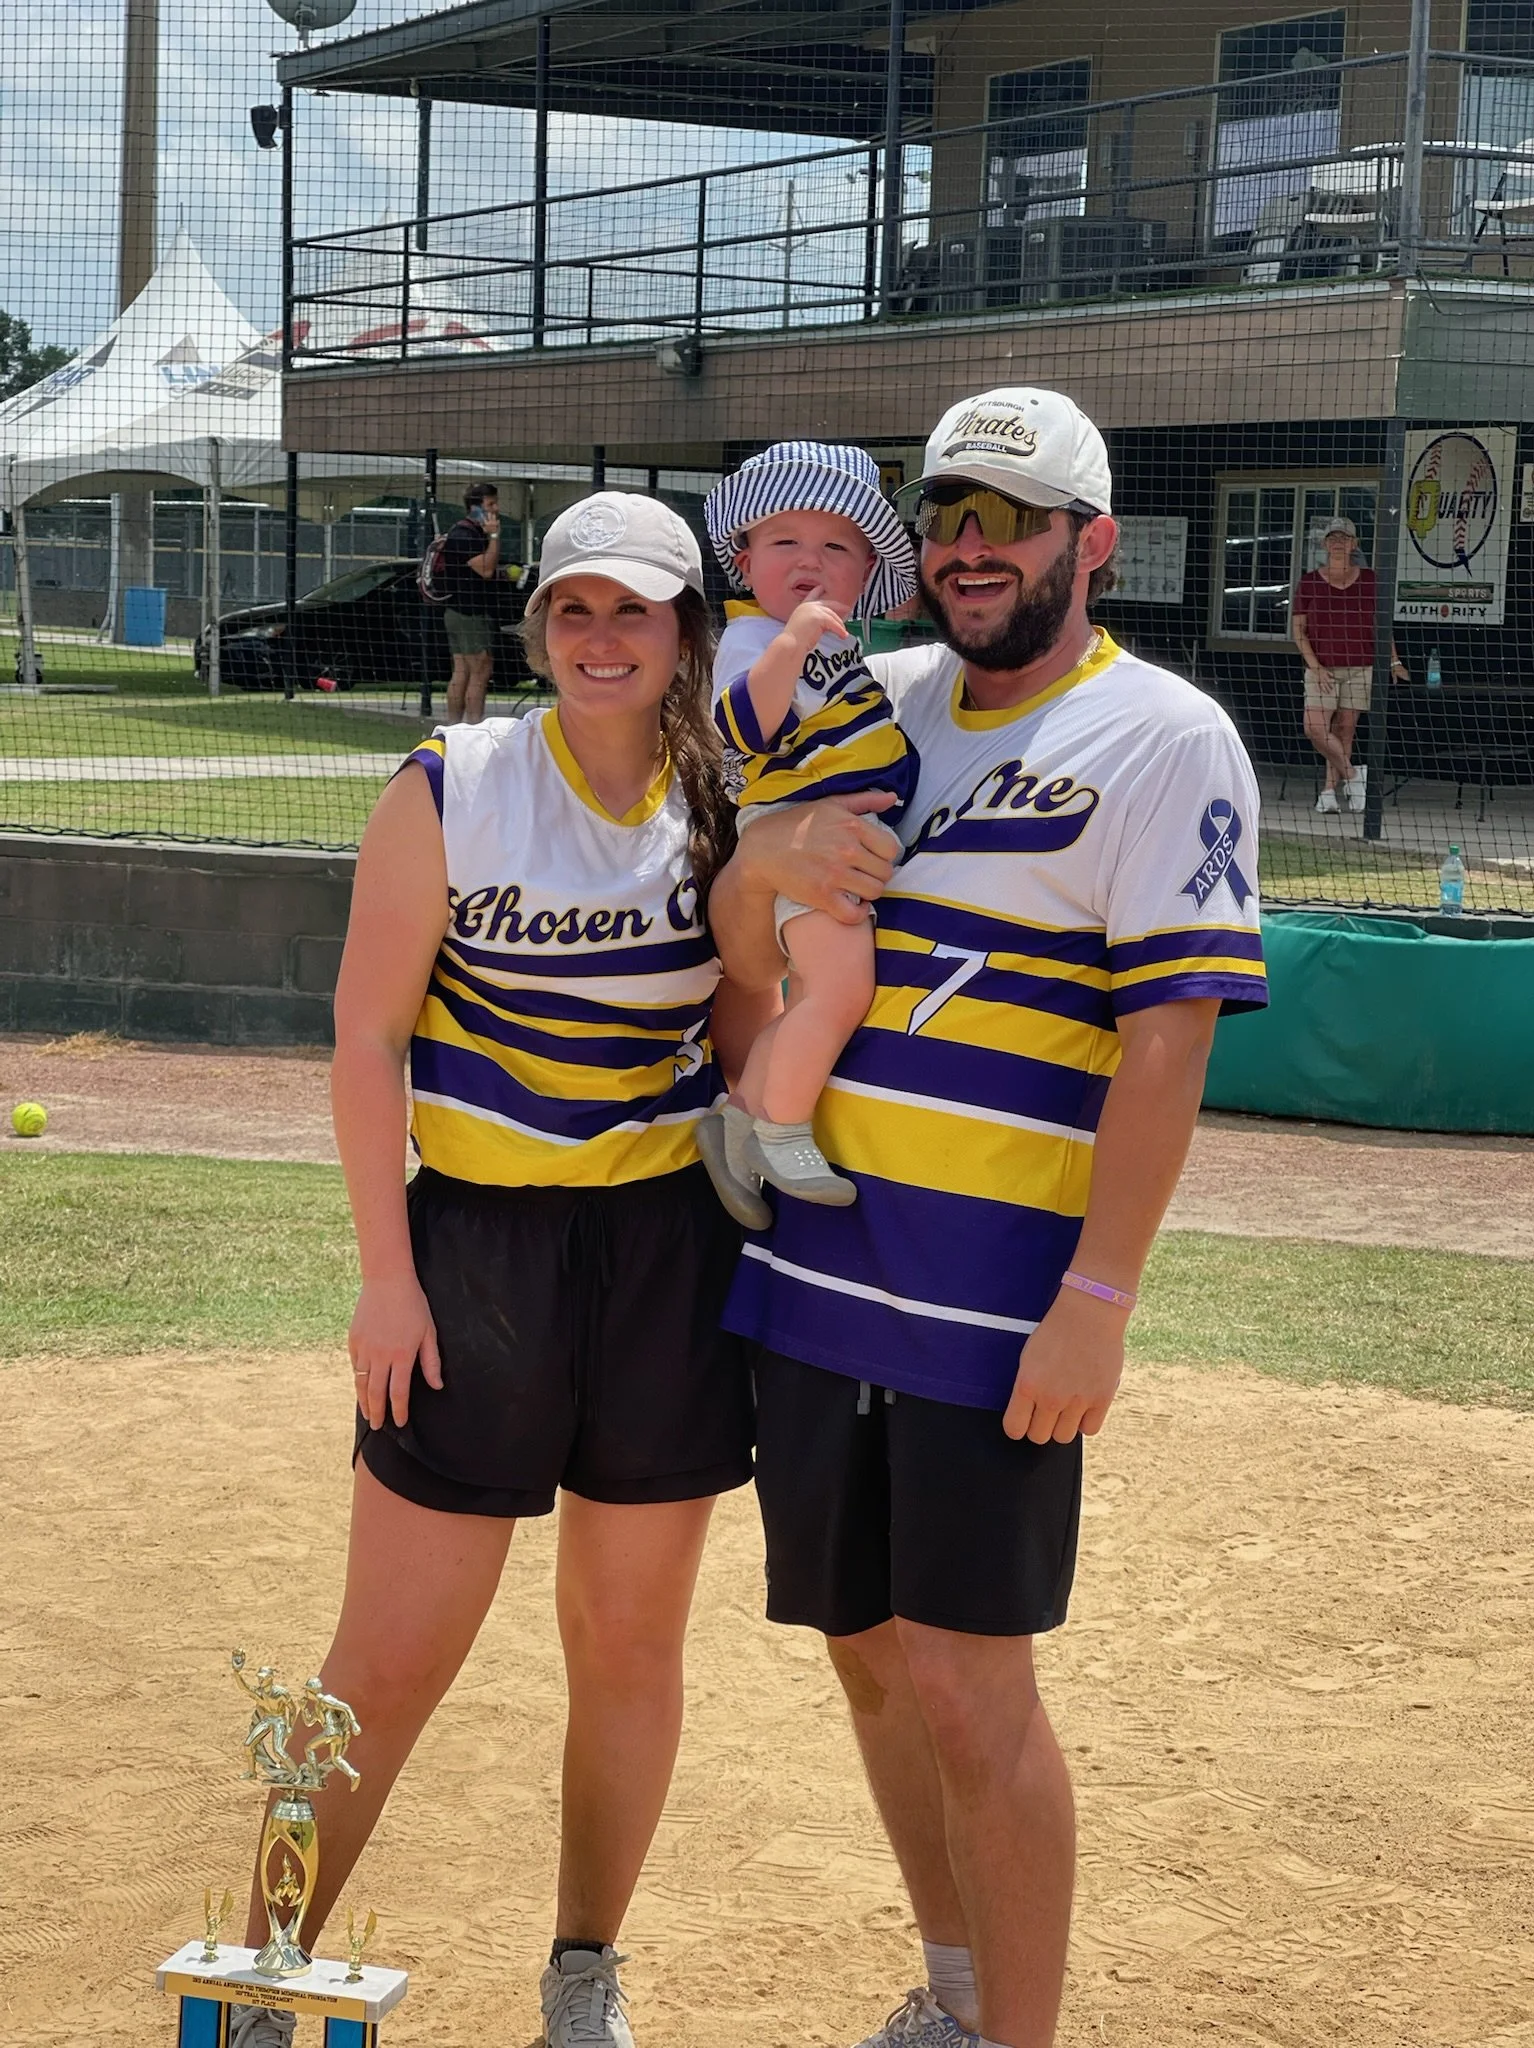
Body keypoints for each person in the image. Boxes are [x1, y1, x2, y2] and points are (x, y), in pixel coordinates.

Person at [709, 387, 1270, 2048]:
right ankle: (953, 1994)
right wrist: (772, 866)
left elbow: (1167, 1042)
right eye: (947, 518)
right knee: (869, 1647)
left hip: (993, 1305)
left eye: (1008, 522)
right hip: (815, 1267)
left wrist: (1100, 1291)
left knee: (970, 1676)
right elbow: (747, 932)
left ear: (1086, 544)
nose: (970, 550)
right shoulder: (863, 700)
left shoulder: (1165, 735)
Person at [230, 492, 776, 2048]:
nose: (603, 640)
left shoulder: (719, 801)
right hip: (476, 1251)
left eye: (638, 612)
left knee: (626, 1644)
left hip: (665, 1259)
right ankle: (262, 1973)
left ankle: (583, 1971)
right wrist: (385, 1275)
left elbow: (737, 1037)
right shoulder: (450, 785)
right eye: (575, 611)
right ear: (539, 626)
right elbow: (365, 1035)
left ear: (684, 633)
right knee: (386, 1658)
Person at [698, 441, 917, 1211]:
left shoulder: (845, 647)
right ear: (745, 559)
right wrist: (790, 644)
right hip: (800, 842)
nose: (809, 561)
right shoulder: (755, 639)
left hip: (841, 840)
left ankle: (738, 1121)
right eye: (784, 541)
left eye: (836, 547)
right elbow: (743, 728)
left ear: (864, 576)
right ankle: (785, 1133)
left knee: (829, 985)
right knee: (839, 989)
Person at [1291, 514, 1408, 814]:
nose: (1339, 543)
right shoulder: (1309, 582)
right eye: (1333, 538)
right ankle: (1355, 777)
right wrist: (1314, 666)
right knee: (1314, 727)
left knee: (1345, 729)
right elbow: (1298, 631)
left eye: (1344, 538)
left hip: (1360, 666)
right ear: (1324, 544)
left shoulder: (1370, 580)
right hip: (1322, 667)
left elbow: (1381, 626)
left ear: (1355, 543)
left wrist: (1394, 661)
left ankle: (1329, 793)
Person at [440, 481, 504, 725]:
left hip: (459, 612)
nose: (496, 509)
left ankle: (454, 727)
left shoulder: (469, 533)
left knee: (463, 672)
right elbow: (486, 569)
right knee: (480, 671)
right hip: (469, 614)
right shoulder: (464, 534)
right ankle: (473, 728)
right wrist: (495, 535)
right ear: (475, 507)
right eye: (490, 504)